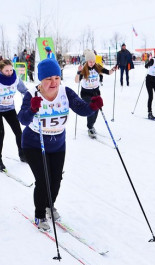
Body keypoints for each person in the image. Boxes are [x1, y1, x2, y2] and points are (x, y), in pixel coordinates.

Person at [17, 58, 103, 231]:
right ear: (41, 79)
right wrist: (32, 109)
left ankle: (50, 205)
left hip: (58, 143)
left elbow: (81, 108)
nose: (53, 82)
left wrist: (92, 106)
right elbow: (23, 119)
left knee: (56, 179)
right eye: (48, 78)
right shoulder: (32, 94)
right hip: (35, 143)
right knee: (43, 180)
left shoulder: (65, 92)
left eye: (56, 77)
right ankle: (40, 214)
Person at [0, 59, 29, 170]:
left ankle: (22, 154)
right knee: (0, 133)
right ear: (1, 70)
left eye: (11, 70)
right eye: (6, 71)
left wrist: (33, 96)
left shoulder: (16, 79)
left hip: (9, 108)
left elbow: (24, 91)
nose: (9, 73)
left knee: (18, 131)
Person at [74, 49, 115, 139]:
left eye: (93, 61)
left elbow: (108, 72)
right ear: (87, 61)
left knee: (96, 110)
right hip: (86, 93)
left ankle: (91, 125)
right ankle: (90, 127)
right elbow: (76, 81)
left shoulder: (97, 67)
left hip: (96, 92)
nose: (92, 63)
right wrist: (78, 72)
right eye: (90, 61)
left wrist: (113, 69)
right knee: (91, 108)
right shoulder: (84, 69)